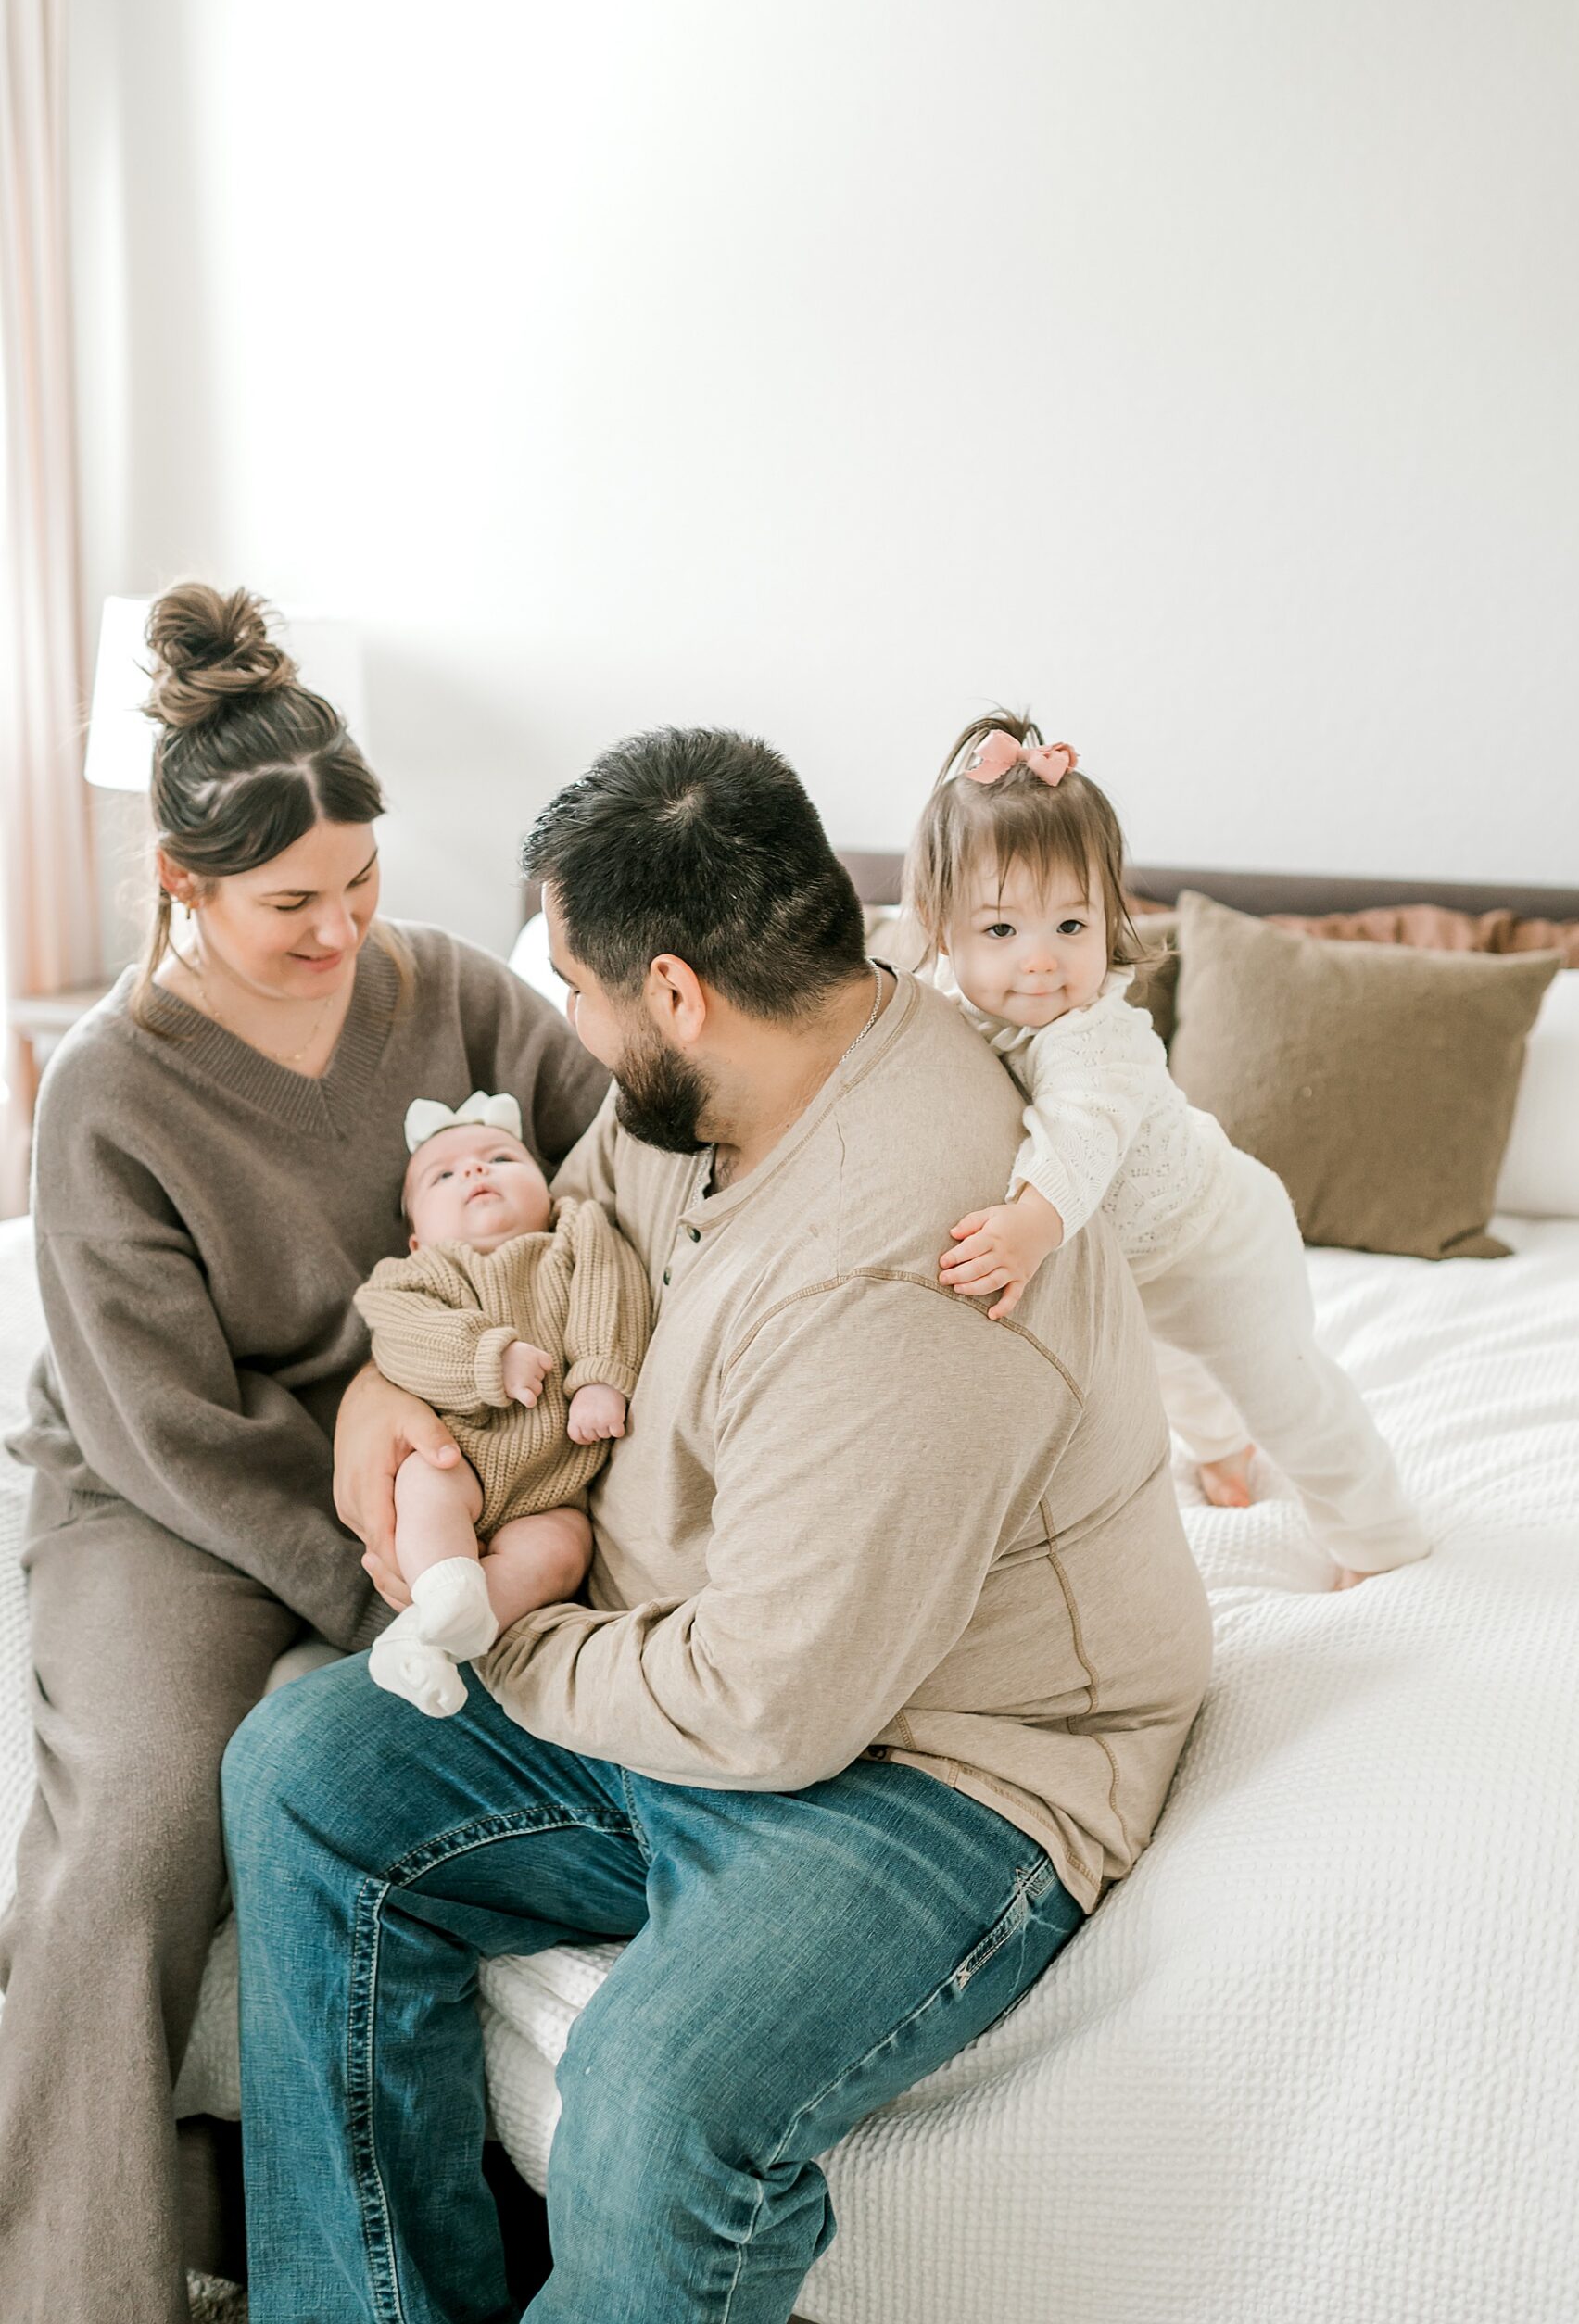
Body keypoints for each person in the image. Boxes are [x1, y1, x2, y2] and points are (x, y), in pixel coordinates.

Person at [221, 726, 1216, 2324]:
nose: (572, 1023)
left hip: (935, 1757)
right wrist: (384, 1396)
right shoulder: (716, 1090)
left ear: (674, 992)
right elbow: (574, 1245)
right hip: (695, 1662)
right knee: (301, 1777)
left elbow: (773, 1704)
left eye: (579, 988)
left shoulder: (900, 1257)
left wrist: (518, 1629)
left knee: (655, 2104)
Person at [0, 584, 608, 2324]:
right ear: (183, 887)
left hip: (461, 1467)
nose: (344, 929)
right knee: (128, 1837)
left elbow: (626, 1168)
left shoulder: (460, 997)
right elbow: (167, 1429)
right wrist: (388, 1593)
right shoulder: (108, 1090)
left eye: (359, 883)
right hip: (176, 1503)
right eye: (292, 907)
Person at [915, 711, 1430, 1583]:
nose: (1040, 962)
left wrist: (1031, 1227)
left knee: (1287, 1394)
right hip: (1133, 1264)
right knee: (1175, 1380)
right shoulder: (945, 996)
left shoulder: (1095, 1037)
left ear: (1108, 917)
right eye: (1002, 931)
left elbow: (1081, 1135)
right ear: (942, 928)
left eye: (1071, 927)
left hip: (1218, 1238)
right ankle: (1223, 1457)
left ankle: (1381, 1542)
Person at [356, 1088, 650, 1718]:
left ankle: (433, 1636)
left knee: (562, 1553)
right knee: (424, 1487)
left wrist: (599, 1377)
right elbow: (405, 1340)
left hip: (553, 1488)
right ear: (416, 1239)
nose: (475, 1170)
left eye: (501, 1159)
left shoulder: (575, 1233)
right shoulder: (412, 1277)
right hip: (459, 1451)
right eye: (444, 1174)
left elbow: (612, 1293)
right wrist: (490, 1358)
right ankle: (445, 1589)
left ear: (546, 1193)